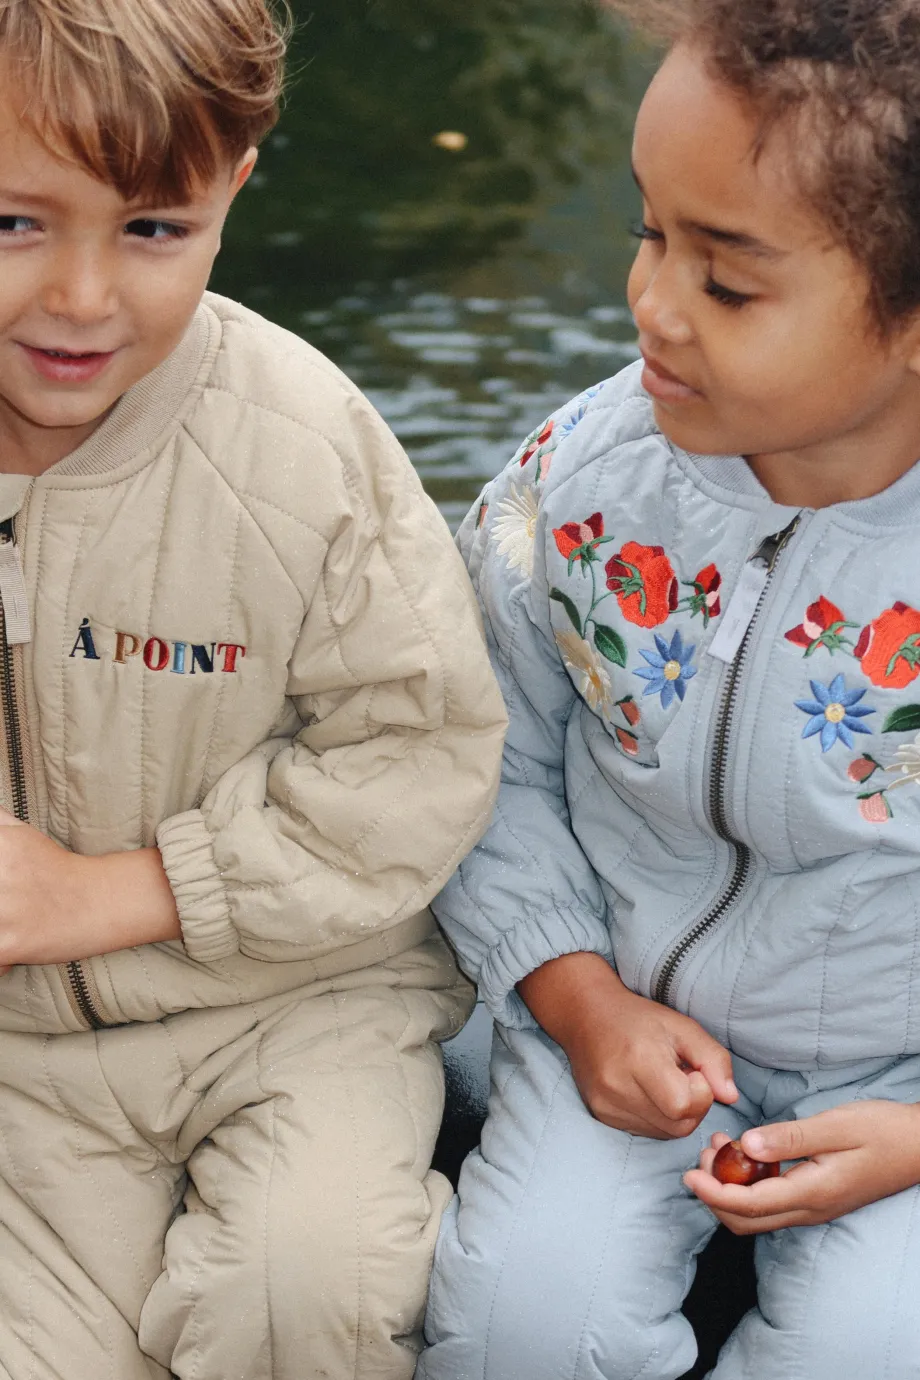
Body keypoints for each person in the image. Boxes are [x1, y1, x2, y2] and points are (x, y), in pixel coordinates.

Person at [0, 2, 507, 1378]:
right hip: (22, 1071)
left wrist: (112, 895)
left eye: (153, 228)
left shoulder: (308, 445)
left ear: (234, 190)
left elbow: (422, 756)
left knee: (309, 1290)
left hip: (303, 1006)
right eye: (13, 224)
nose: (83, 297)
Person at [416, 2, 920, 1377]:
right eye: (651, 232)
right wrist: (580, 1000)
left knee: (869, 1354)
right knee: (521, 1320)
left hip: (907, 1090)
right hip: (620, 1021)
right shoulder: (581, 483)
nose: (650, 301)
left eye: (729, 281)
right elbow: (480, 753)